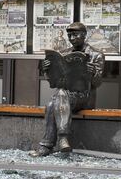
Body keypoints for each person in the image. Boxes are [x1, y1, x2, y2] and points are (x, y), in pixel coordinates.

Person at [31, 22, 105, 157]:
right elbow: (53, 83)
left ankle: (53, 142)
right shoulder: (64, 54)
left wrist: (93, 73)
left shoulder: (96, 55)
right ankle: (56, 141)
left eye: (75, 34)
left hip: (84, 97)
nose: (72, 38)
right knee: (52, 103)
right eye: (69, 35)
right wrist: (46, 69)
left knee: (56, 98)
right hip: (65, 95)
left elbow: (97, 83)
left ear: (84, 35)